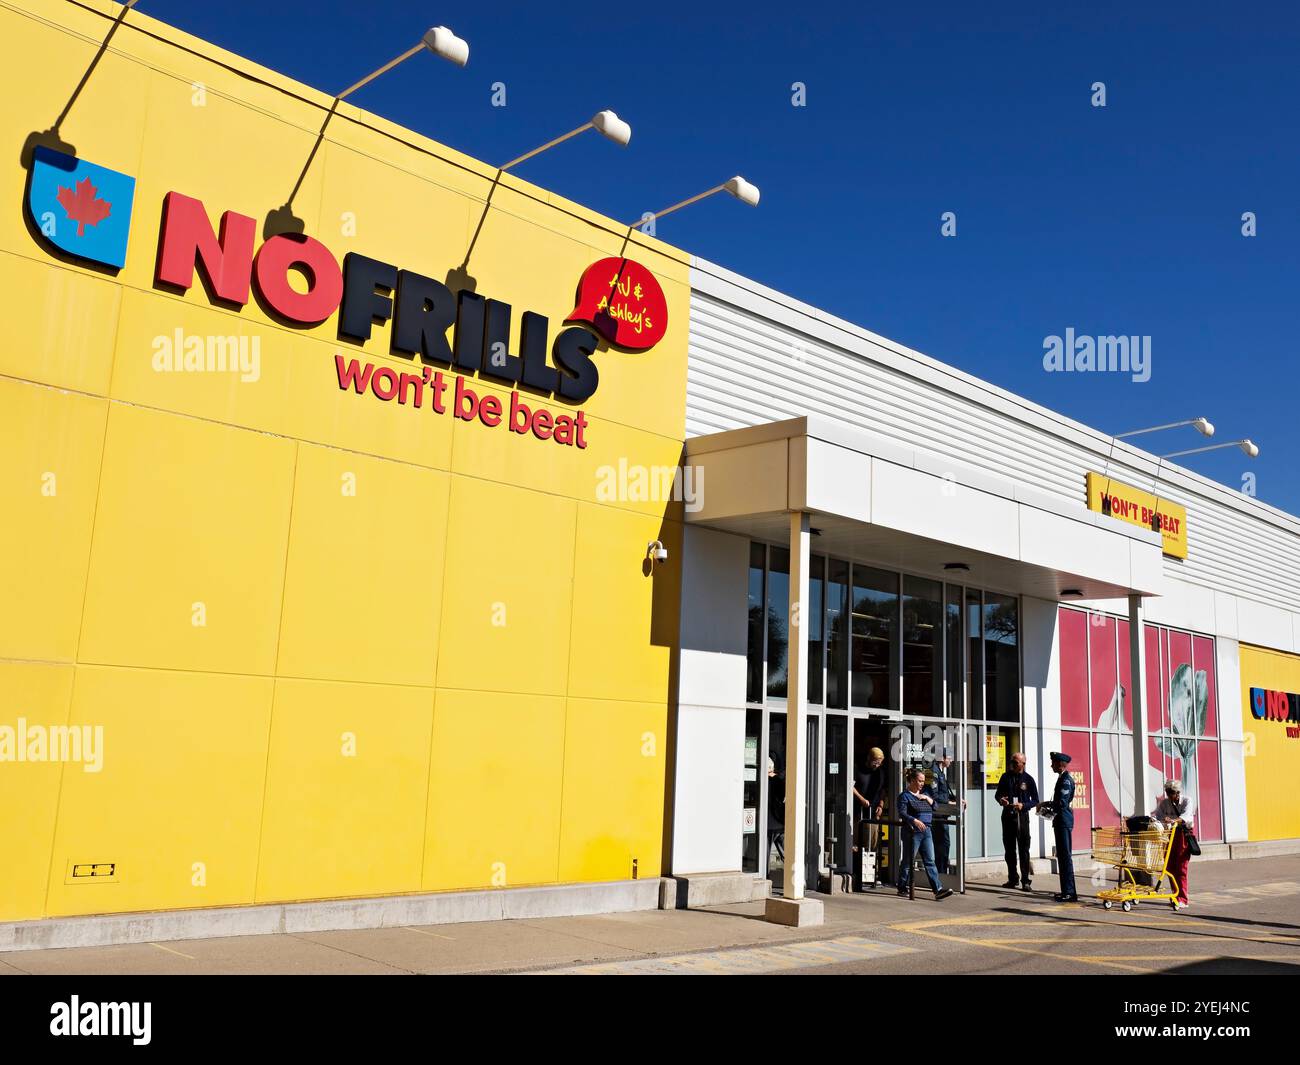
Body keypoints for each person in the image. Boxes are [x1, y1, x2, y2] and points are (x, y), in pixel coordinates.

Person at [897, 768, 954, 900]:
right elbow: (902, 813)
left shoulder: (925, 793)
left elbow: (935, 807)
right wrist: (914, 820)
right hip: (913, 832)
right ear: (911, 780)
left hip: (927, 830)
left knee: (930, 861)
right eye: (919, 781)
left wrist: (927, 798)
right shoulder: (904, 796)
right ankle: (902, 886)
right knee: (908, 861)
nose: (922, 783)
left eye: (923, 781)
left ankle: (938, 890)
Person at [993, 752, 1039, 890]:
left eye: (1015, 762)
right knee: (1009, 850)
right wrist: (1001, 800)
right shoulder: (1005, 777)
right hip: (1008, 816)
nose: (1011, 764)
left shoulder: (1029, 779)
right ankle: (1013, 879)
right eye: (1011, 761)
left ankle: (1025, 880)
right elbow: (997, 794)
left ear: (1022, 764)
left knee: (1024, 849)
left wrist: (1023, 805)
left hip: (1022, 818)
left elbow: (1036, 800)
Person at [1152, 779, 1194, 909]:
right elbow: (1157, 816)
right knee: (1169, 866)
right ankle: (1175, 894)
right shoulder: (1164, 803)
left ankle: (1183, 898)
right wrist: (1160, 820)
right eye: (1167, 792)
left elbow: (1186, 817)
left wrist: (1173, 820)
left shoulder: (1187, 800)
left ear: (1177, 793)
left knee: (1181, 867)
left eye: (1171, 792)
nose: (1169, 795)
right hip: (1170, 835)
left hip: (1183, 834)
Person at [923, 747, 966, 874]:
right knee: (941, 844)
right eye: (949, 758)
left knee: (944, 844)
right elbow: (934, 796)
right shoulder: (931, 772)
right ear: (942, 758)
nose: (951, 761)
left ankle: (942, 871)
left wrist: (959, 799)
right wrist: (950, 802)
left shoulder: (940, 772)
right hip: (936, 815)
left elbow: (944, 793)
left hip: (942, 815)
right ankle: (940, 873)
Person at [1045, 752, 1077, 902]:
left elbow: (1062, 803)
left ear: (1060, 764)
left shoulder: (1065, 780)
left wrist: (1046, 805)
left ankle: (1069, 892)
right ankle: (1066, 891)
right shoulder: (1062, 778)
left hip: (1063, 821)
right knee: (1063, 857)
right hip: (1061, 821)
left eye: (1053, 763)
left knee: (1065, 857)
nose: (1051, 765)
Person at [853, 747, 887, 871]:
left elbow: (883, 790)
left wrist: (881, 805)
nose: (877, 764)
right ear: (869, 758)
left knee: (872, 843)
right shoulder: (858, 769)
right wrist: (861, 799)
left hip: (873, 812)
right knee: (858, 842)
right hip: (858, 811)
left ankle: (870, 872)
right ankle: (857, 871)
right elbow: (850, 786)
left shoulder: (881, 772)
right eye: (875, 761)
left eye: (880, 762)